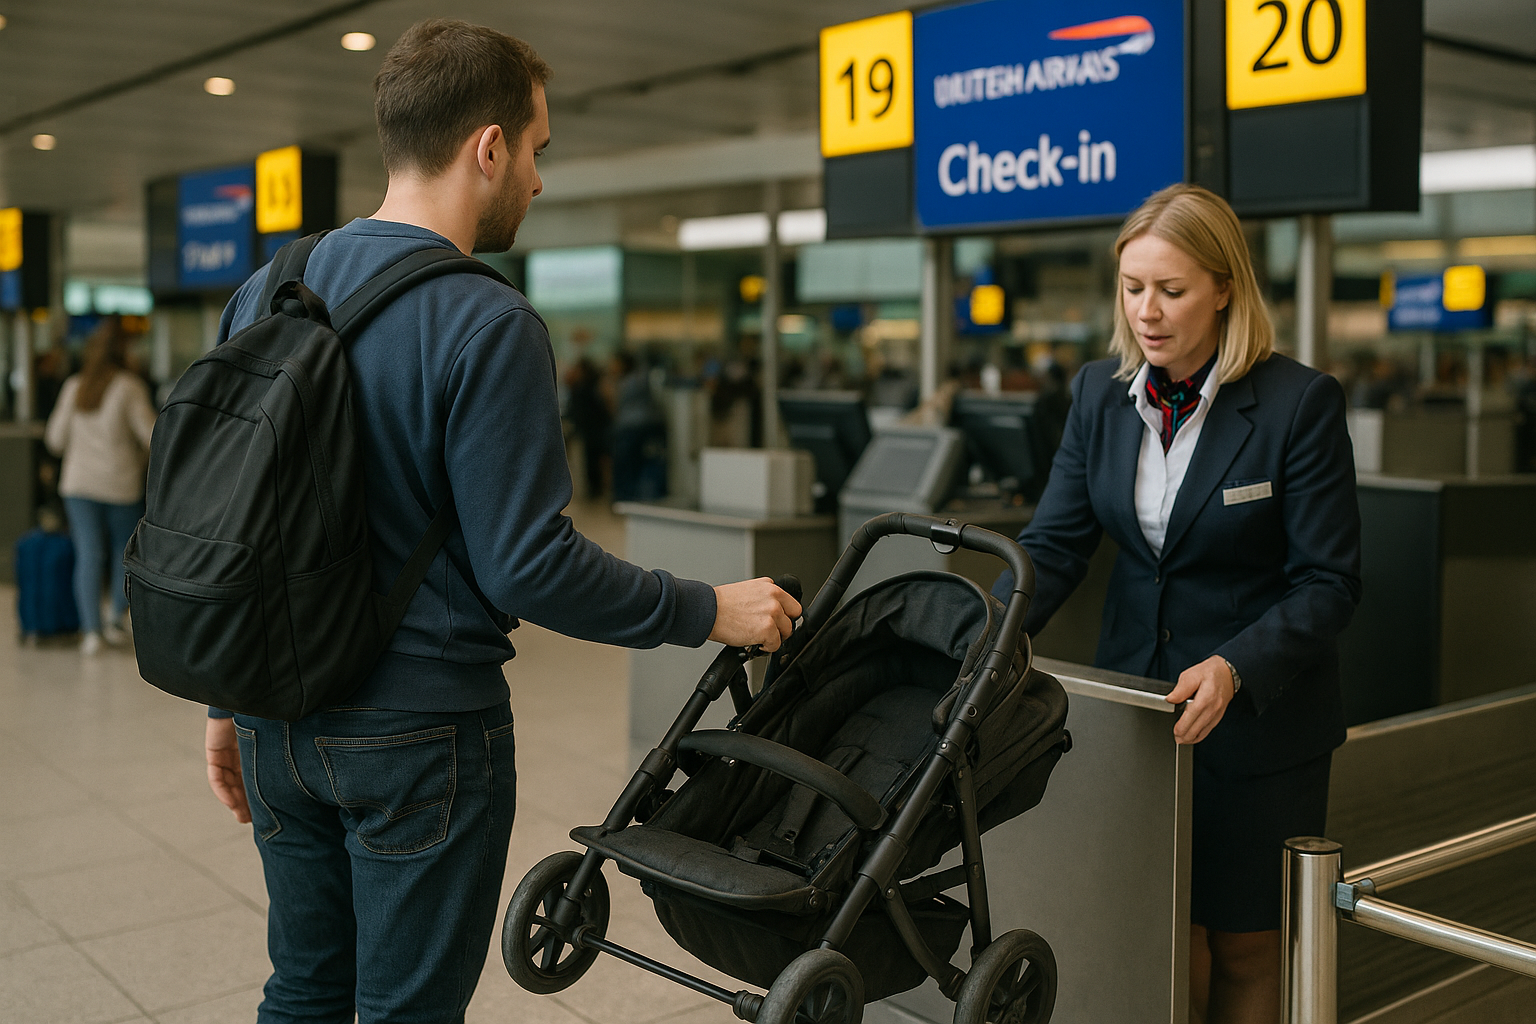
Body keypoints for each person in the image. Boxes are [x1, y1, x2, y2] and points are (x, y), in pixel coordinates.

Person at [201, 21, 799, 1024]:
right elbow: (527, 566)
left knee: (304, 988)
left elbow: (231, 519)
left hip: (272, 713)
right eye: (536, 149)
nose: (537, 176)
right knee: (406, 1010)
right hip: (417, 734)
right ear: (488, 146)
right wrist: (706, 608)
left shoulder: (264, 288)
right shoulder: (486, 318)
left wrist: (226, 699)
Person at [993, 184, 1360, 1024]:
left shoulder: (1297, 405)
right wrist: (978, 632)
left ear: (1226, 287)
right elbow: (1054, 544)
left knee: (1243, 940)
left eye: (1171, 289)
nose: (1147, 313)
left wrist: (1236, 664)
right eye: (1132, 289)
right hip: (1140, 713)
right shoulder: (1099, 395)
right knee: (1162, 931)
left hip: (1258, 720)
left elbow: (1329, 583)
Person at [44, 316, 156, 654]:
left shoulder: (73, 387)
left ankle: (90, 631)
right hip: (119, 484)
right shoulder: (129, 387)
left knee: (88, 553)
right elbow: (152, 436)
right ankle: (114, 618)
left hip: (78, 485)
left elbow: (54, 440)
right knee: (125, 555)